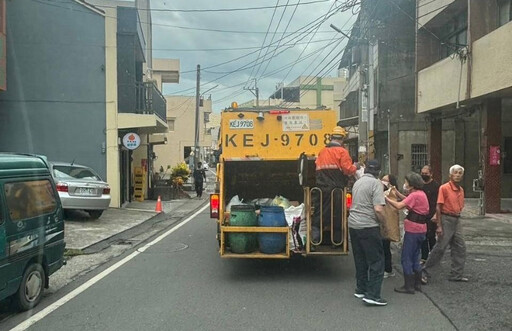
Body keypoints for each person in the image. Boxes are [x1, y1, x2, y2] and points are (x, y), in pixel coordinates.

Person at [349, 159, 387, 306]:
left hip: (354, 224)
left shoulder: (358, 182)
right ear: (378, 171)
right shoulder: (376, 184)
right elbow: (378, 209)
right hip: (368, 226)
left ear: (365, 170)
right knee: (376, 261)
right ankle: (373, 295)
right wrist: (384, 223)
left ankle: (361, 289)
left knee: (360, 259)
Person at [422, 165, 467, 284]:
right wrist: (439, 225)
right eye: (455, 173)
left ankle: (456, 274)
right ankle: (425, 272)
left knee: (460, 246)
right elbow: (438, 206)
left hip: (456, 219)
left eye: (460, 173)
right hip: (446, 218)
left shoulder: (461, 190)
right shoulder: (444, 188)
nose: (457, 175)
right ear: (450, 175)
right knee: (441, 246)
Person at [312, 126, 357, 244]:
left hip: (322, 189)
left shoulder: (322, 151)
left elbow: (317, 167)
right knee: (337, 214)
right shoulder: (342, 152)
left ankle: (315, 238)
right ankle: (337, 241)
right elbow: (347, 169)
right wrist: (356, 168)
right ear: (342, 139)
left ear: (331, 137)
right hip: (337, 190)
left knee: (319, 211)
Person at [386, 172, 429, 294]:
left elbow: (400, 205)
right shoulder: (420, 194)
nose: (405, 185)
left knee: (406, 258)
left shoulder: (415, 195)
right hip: (421, 229)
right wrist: (397, 193)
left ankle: (408, 286)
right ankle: (417, 284)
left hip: (413, 230)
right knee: (415, 257)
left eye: (406, 182)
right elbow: (407, 200)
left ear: (411, 184)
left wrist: (386, 198)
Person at [420, 165, 440, 262]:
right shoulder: (420, 185)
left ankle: (433, 256)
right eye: (422, 174)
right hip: (422, 214)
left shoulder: (436, 186)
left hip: (432, 214)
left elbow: (439, 202)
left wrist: (436, 214)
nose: (424, 175)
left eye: (426, 174)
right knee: (423, 236)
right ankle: (424, 257)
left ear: (431, 174)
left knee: (431, 236)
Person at [381, 174, 398, 278]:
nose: (382, 181)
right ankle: (386, 268)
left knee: (385, 247)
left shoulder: (390, 193)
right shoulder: (387, 192)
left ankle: (387, 269)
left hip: (386, 224)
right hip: (383, 224)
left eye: (385, 180)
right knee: (383, 247)